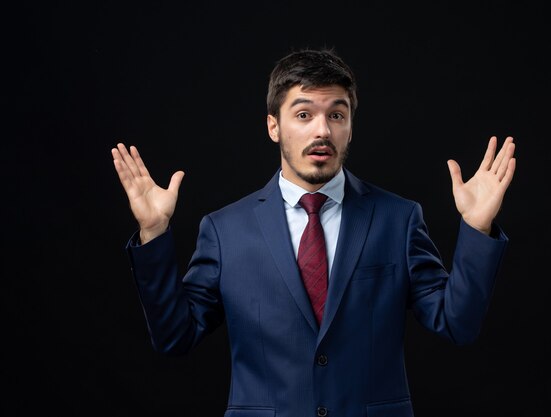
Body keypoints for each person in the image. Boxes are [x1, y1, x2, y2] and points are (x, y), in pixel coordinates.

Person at [111, 47, 516, 417]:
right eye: (303, 114)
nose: (322, 130)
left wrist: (476, 227)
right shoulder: (225, 230)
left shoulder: (398, 218)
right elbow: (174, 337)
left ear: (350, 127)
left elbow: (457, 324)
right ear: (274, 126)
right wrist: (154, 233)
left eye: (336, 115)